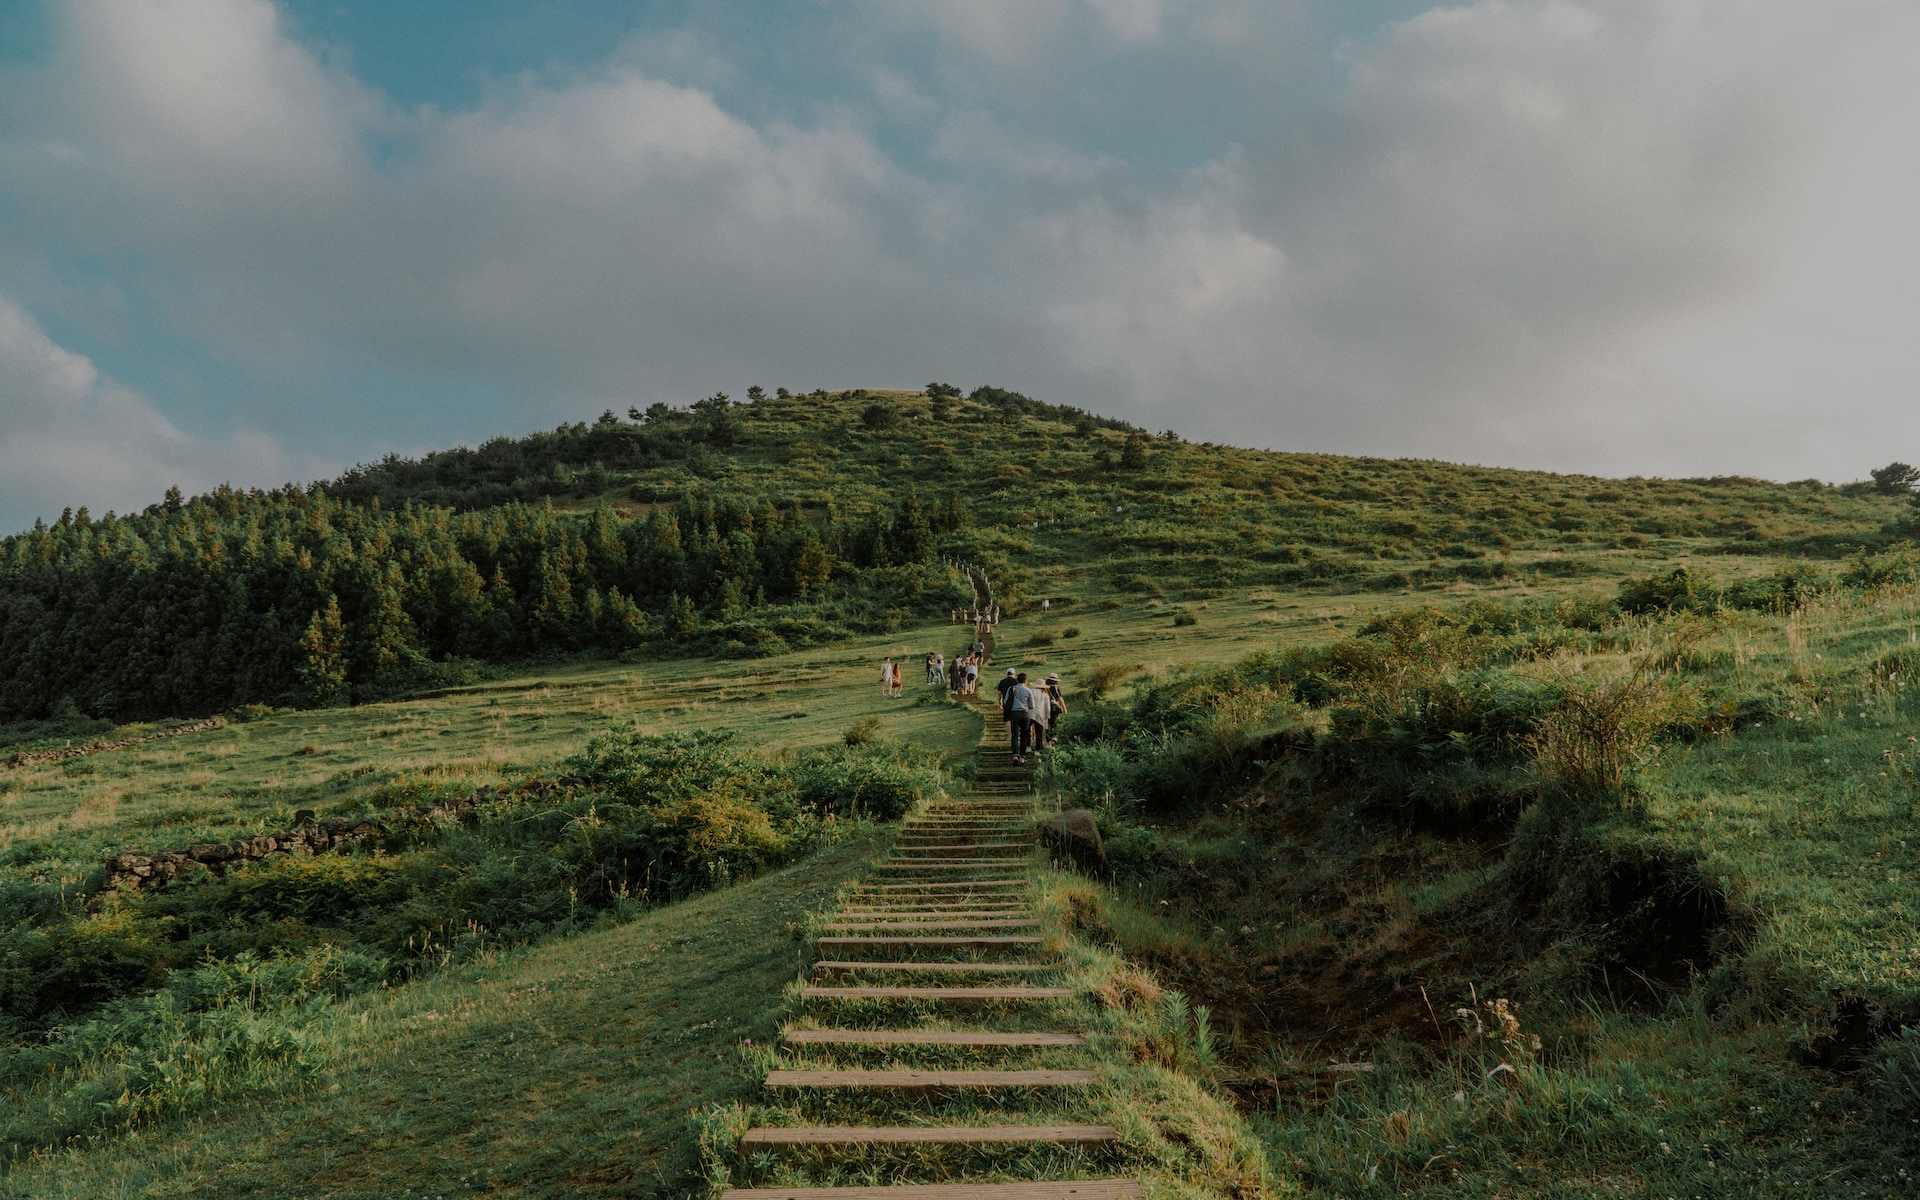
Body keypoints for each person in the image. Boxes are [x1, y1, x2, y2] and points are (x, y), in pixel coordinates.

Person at [1004, 670, 1034, 762]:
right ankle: (1022, 757)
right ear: (1025, 681)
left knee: (1015, 736)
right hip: (1024, 713)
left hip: (1014, 714)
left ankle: (1015, 756)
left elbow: (1005, 702)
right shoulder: (1028, 690)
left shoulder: (1011, 689)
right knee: (1024, 735)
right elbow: (1032, 705)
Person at [1026, 672, 1054, 752]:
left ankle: (1028, 746)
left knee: (1027, 730)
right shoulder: (1045, 695)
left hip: (1030, 712)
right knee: (1039, 732)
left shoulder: (1031, 691)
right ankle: (1038, 749)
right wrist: (1047, 716)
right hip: (1040, 714)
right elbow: (1047, 707)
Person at [1045, 673, 1068, 743]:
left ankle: (1048, 740)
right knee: (1054, 722)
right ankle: (1054, 736)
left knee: (1048, 723)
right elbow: (1060, 698)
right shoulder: (1055, 687)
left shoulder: (1045, 686)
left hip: (1045, 706)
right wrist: (1064, 708)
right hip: (1054, 707)